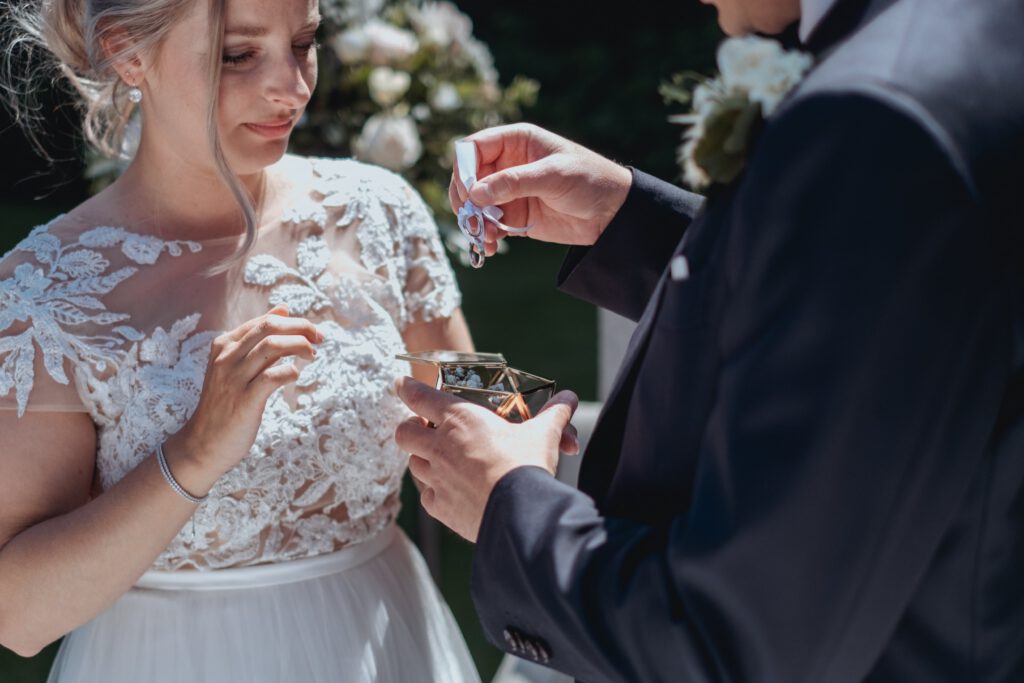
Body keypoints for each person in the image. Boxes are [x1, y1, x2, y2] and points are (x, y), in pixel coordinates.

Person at [395, 0, 1024, 680]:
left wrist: (506, 501)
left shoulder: (880, 119)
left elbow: (734, 643)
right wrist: (629, 217)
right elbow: (883, 304)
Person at [0, 0, 480, 681]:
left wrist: (530, 420)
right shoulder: (43, 296)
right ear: (126, 52)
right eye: (239, 55)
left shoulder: (380, 212)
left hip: (387, 643)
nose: (293, 85)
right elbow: (19, 615)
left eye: (305, 41)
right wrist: (192, 455)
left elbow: (470, 409)